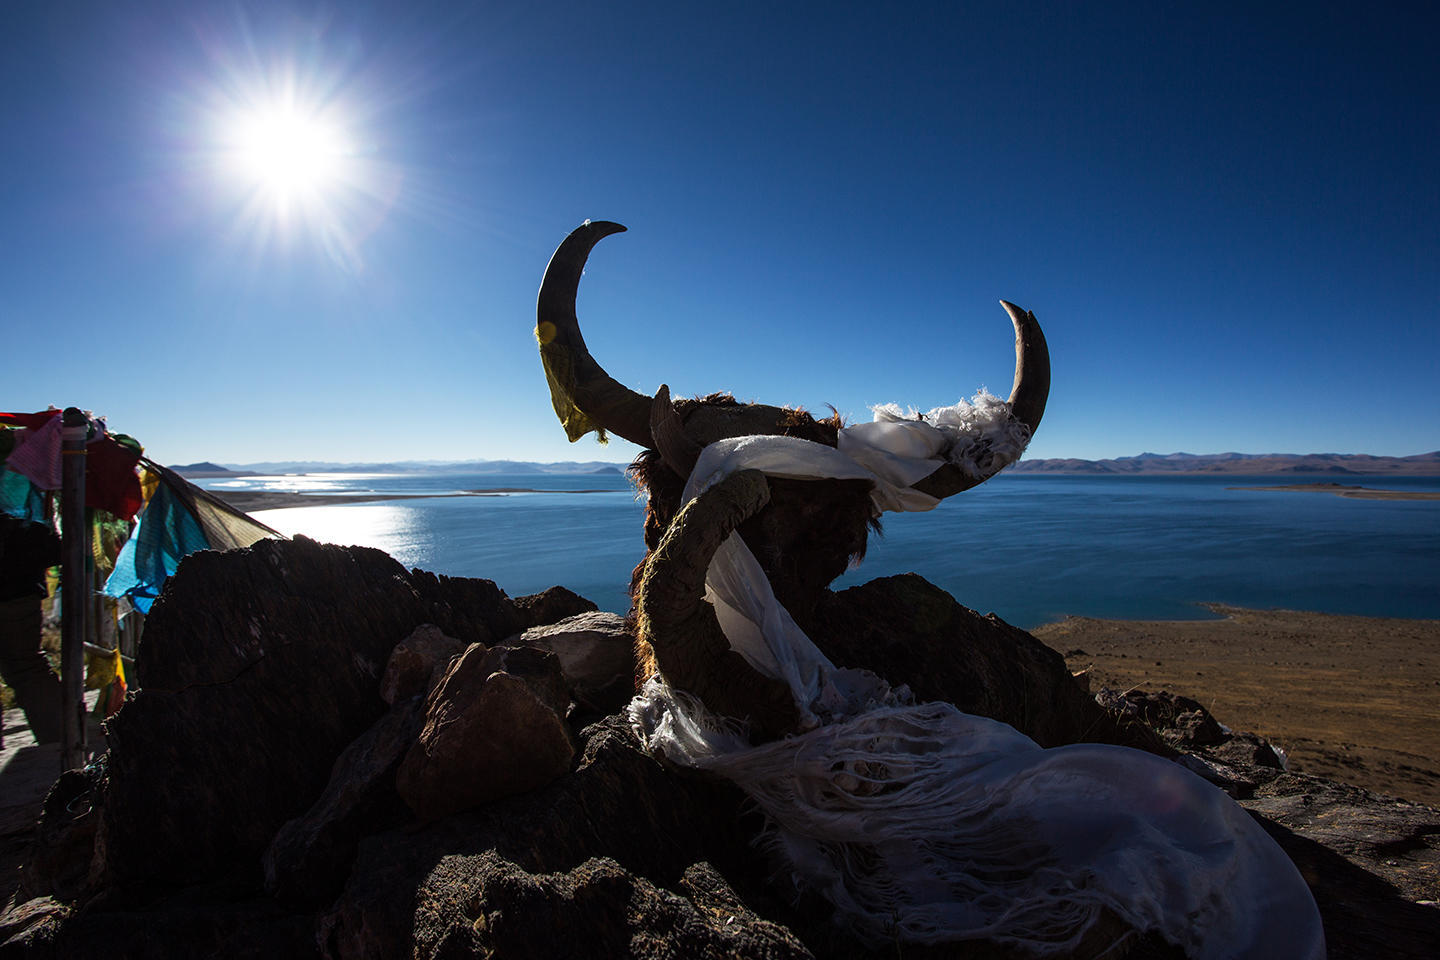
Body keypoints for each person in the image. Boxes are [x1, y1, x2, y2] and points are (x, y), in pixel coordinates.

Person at [0, 513, 63, 743]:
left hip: (15, 584)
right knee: (27, 667)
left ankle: (58, 738)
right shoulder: (25, 486)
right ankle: (58, 735)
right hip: (18, 585)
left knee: (26, 667)